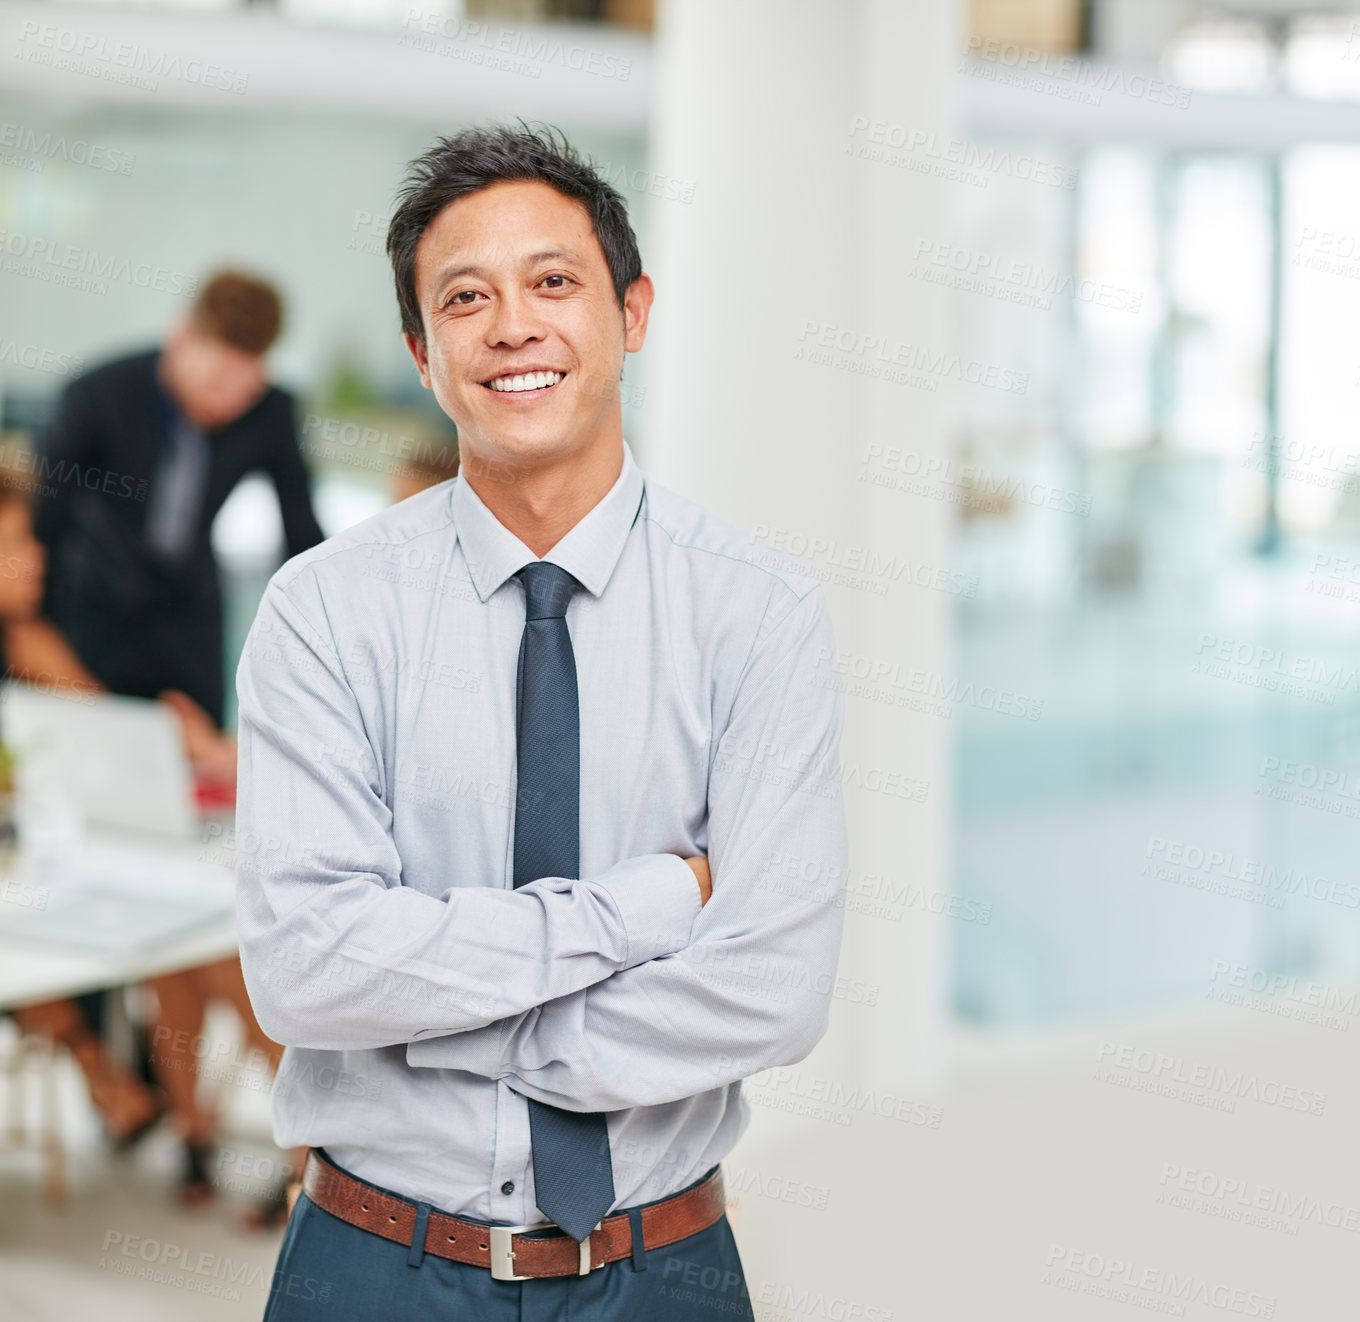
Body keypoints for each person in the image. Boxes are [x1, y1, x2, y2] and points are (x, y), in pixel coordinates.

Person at [237, 124, 847, 1321]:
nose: (512, 325)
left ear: (633, 312)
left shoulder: (760, 615)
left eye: (553, 281)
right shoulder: (322, 612)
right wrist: (656, 902)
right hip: (373, 1265)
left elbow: (775, 987)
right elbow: (307, 971)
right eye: (466, 297)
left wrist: (440, 1020)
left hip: (663, 1270)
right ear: (424, 353)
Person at [0, 457, 297, 1210]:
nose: (38, 557)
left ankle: (234, 1133)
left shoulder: (27, 641)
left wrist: (185, 751)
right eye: (18, 544)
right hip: (28, 894)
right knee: (199, 941)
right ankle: (282, 1140)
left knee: (199, 942)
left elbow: (108, 740)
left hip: (44, 872)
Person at [32, 270, 323, 727]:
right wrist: (31, 632)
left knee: (196, 771)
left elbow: (302, 533)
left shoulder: (272, 412)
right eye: (215, 383)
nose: (226, 404)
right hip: (91, 609)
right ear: (181, 336)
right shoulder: (97, 395)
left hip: (189, 619)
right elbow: (41, 522)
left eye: (243, 389)